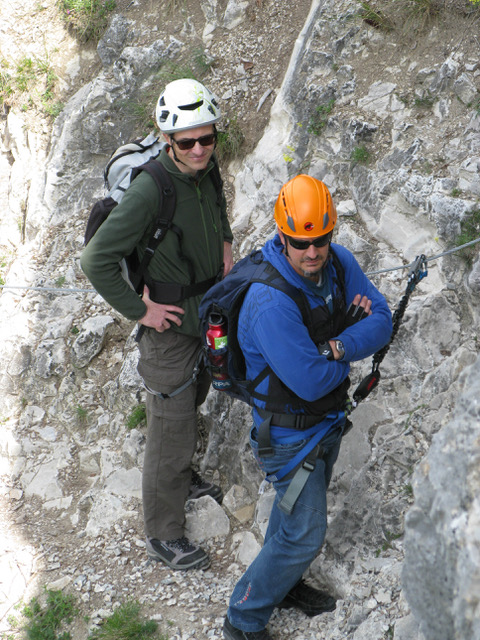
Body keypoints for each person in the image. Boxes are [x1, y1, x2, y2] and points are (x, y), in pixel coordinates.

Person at [222, 175, 392, 640]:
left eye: (320, 240)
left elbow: (382, 319)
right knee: (304, 534)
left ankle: (283, 583)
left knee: (292, 513)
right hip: (289, 436)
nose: (312, 252)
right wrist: (342, 362)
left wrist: (336, 347)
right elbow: (311, 382)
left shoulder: (338, 263)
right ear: (282, 236)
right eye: (300, 242)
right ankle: (243, 618)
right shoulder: (269, 300)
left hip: (322, 423)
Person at [81, 78, 234, 571]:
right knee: (169, 426)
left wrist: (227, 243)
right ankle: (163, 533)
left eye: (205, 138)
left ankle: (181, 478)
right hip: (168, 327)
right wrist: (140, 311)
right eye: (186, 141)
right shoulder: (152, 188)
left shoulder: (206, 171)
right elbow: (95, 260)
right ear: (167, 142)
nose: (197, 149)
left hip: (207, 312)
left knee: (196, 397)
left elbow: (219, 210)